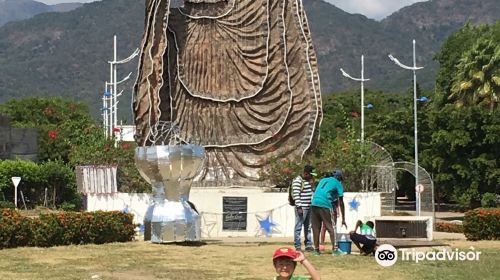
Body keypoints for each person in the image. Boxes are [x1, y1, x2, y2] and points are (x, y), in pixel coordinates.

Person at [310, 169, 347, 256]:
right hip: (325, 204)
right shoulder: (337, 183)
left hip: (314, 203)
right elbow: (341, 202)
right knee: (332, 227)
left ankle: (316, 250)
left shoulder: (323, 180)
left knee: (316, 228)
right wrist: (343, 218)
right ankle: (335, 250)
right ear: (338, 177)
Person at [292, 165, 316, 252]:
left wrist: (312, 185)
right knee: (298, 227)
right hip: (302, 208)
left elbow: (311, 193)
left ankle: (308, 244)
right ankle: (297, 245)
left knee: (308, 227)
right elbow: (296, 195)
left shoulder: (308, 181)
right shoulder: (297, 181)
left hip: (309, 207)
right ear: (306, 173)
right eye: (311, 175)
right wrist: (299, 207)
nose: (312, 176)